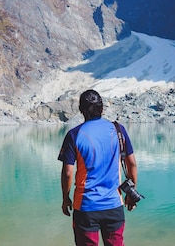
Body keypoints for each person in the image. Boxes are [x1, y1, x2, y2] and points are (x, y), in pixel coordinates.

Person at [58, 89, 139, 246]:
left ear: (81, 110)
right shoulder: (118, 130)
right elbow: (132, 164)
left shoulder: (74, 134)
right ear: (102, 108)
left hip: (85, 206)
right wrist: (131, 193)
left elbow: (68, 172)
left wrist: (65, 198)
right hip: (114, 204)